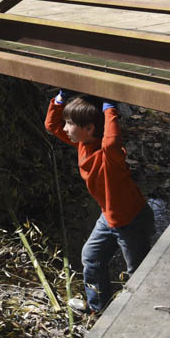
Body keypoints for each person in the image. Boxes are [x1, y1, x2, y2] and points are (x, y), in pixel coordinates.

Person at [45, 90, 154, 314]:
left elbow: (112, 141)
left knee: (139, 272)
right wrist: (60, 98)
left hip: (131, 220)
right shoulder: (83, 144)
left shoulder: (110, 156)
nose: (64, 128)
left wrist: (109, 106)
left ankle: (141, 314)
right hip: (109, 217)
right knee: (91, 257)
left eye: (69, 123)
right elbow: (51, 126)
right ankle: (99, 308)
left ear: (89, 129)